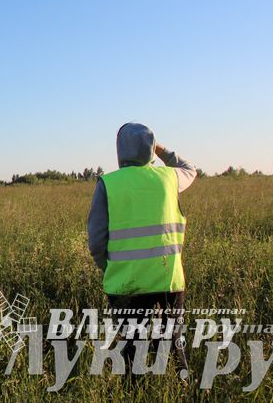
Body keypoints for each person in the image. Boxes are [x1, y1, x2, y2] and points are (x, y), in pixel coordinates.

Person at [87, 122, 197, 379]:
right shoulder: (169, 178)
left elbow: (96, 241)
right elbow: (190, 169)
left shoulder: (108, 184)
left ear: (119, 149)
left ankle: (134, 390)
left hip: (126, 282)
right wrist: (160, 149)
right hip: (169, 279)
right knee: (173, 343)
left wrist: (110, 267)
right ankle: (179, 387)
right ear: (150, 147)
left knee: (131, 347)